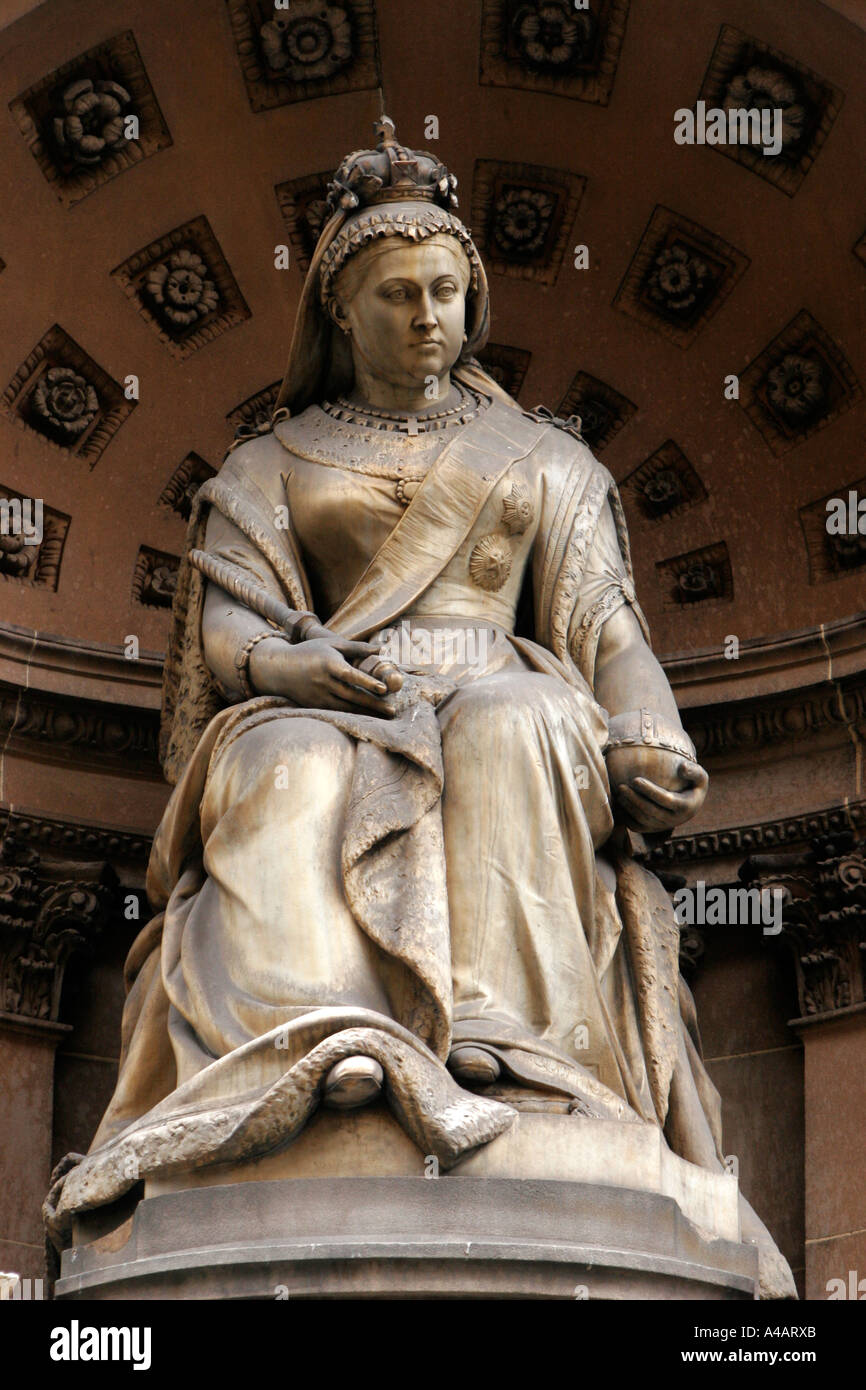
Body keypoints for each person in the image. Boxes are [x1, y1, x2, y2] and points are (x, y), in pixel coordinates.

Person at [46, 121, 793, 1297]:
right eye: (398, 293)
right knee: (281, 765)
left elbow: (604, 629)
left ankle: (509, 1041)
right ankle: (313, 1042)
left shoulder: (543, 460)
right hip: (327, 692)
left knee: (518, 724)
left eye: (447, 290)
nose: (428, 315)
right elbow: (231, 635)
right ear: (341, 312)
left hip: (495, 679)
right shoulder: (269, 462)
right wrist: (298, 675)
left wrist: (650, 731)